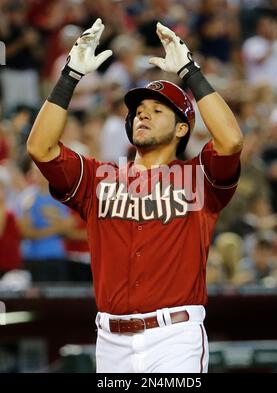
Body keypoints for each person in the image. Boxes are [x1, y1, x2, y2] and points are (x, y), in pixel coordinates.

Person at [27, 19, 243, 373]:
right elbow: (39, 147)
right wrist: (69, 75)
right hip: (110, 341)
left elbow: (231, 141)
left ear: (182, 127)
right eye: (139, 110)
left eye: (157, 111)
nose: (143, 114)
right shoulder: (99, 177)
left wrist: (190, 72)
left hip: (174, 337)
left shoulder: (198, 176)